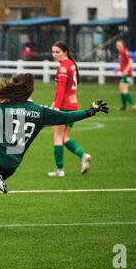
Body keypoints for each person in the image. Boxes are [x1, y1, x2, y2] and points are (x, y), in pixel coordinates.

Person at [0, 73, 109, 233]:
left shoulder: (5, 107)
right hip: (11, 165)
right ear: (31, 90)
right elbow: (66, 117)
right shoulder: (40, 111)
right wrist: (90, 111)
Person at [48, 41, 91, 178]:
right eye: (53, 52)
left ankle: (59, 170)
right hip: (73, 105)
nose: (54, 54)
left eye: (57, 52)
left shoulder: (62, 68)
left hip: (64, 106)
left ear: (65, 52)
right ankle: (83, 156)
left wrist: (56, 107)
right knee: (65, 137)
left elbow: (60, 90)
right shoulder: (71, 65)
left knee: (57, 136)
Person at [114, 39, 136, 111]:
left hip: (127, 74)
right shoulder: (120, 53)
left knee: (124, 89)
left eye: (119, 45)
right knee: (121, 88)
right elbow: (123, 64)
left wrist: (126, 70)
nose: (118, 46)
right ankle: (124, 106)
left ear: (123, 45)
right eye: (117, 45)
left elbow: (130, 62)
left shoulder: (125, 52)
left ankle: (132, 105)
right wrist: (119, 69)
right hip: (125, 74)